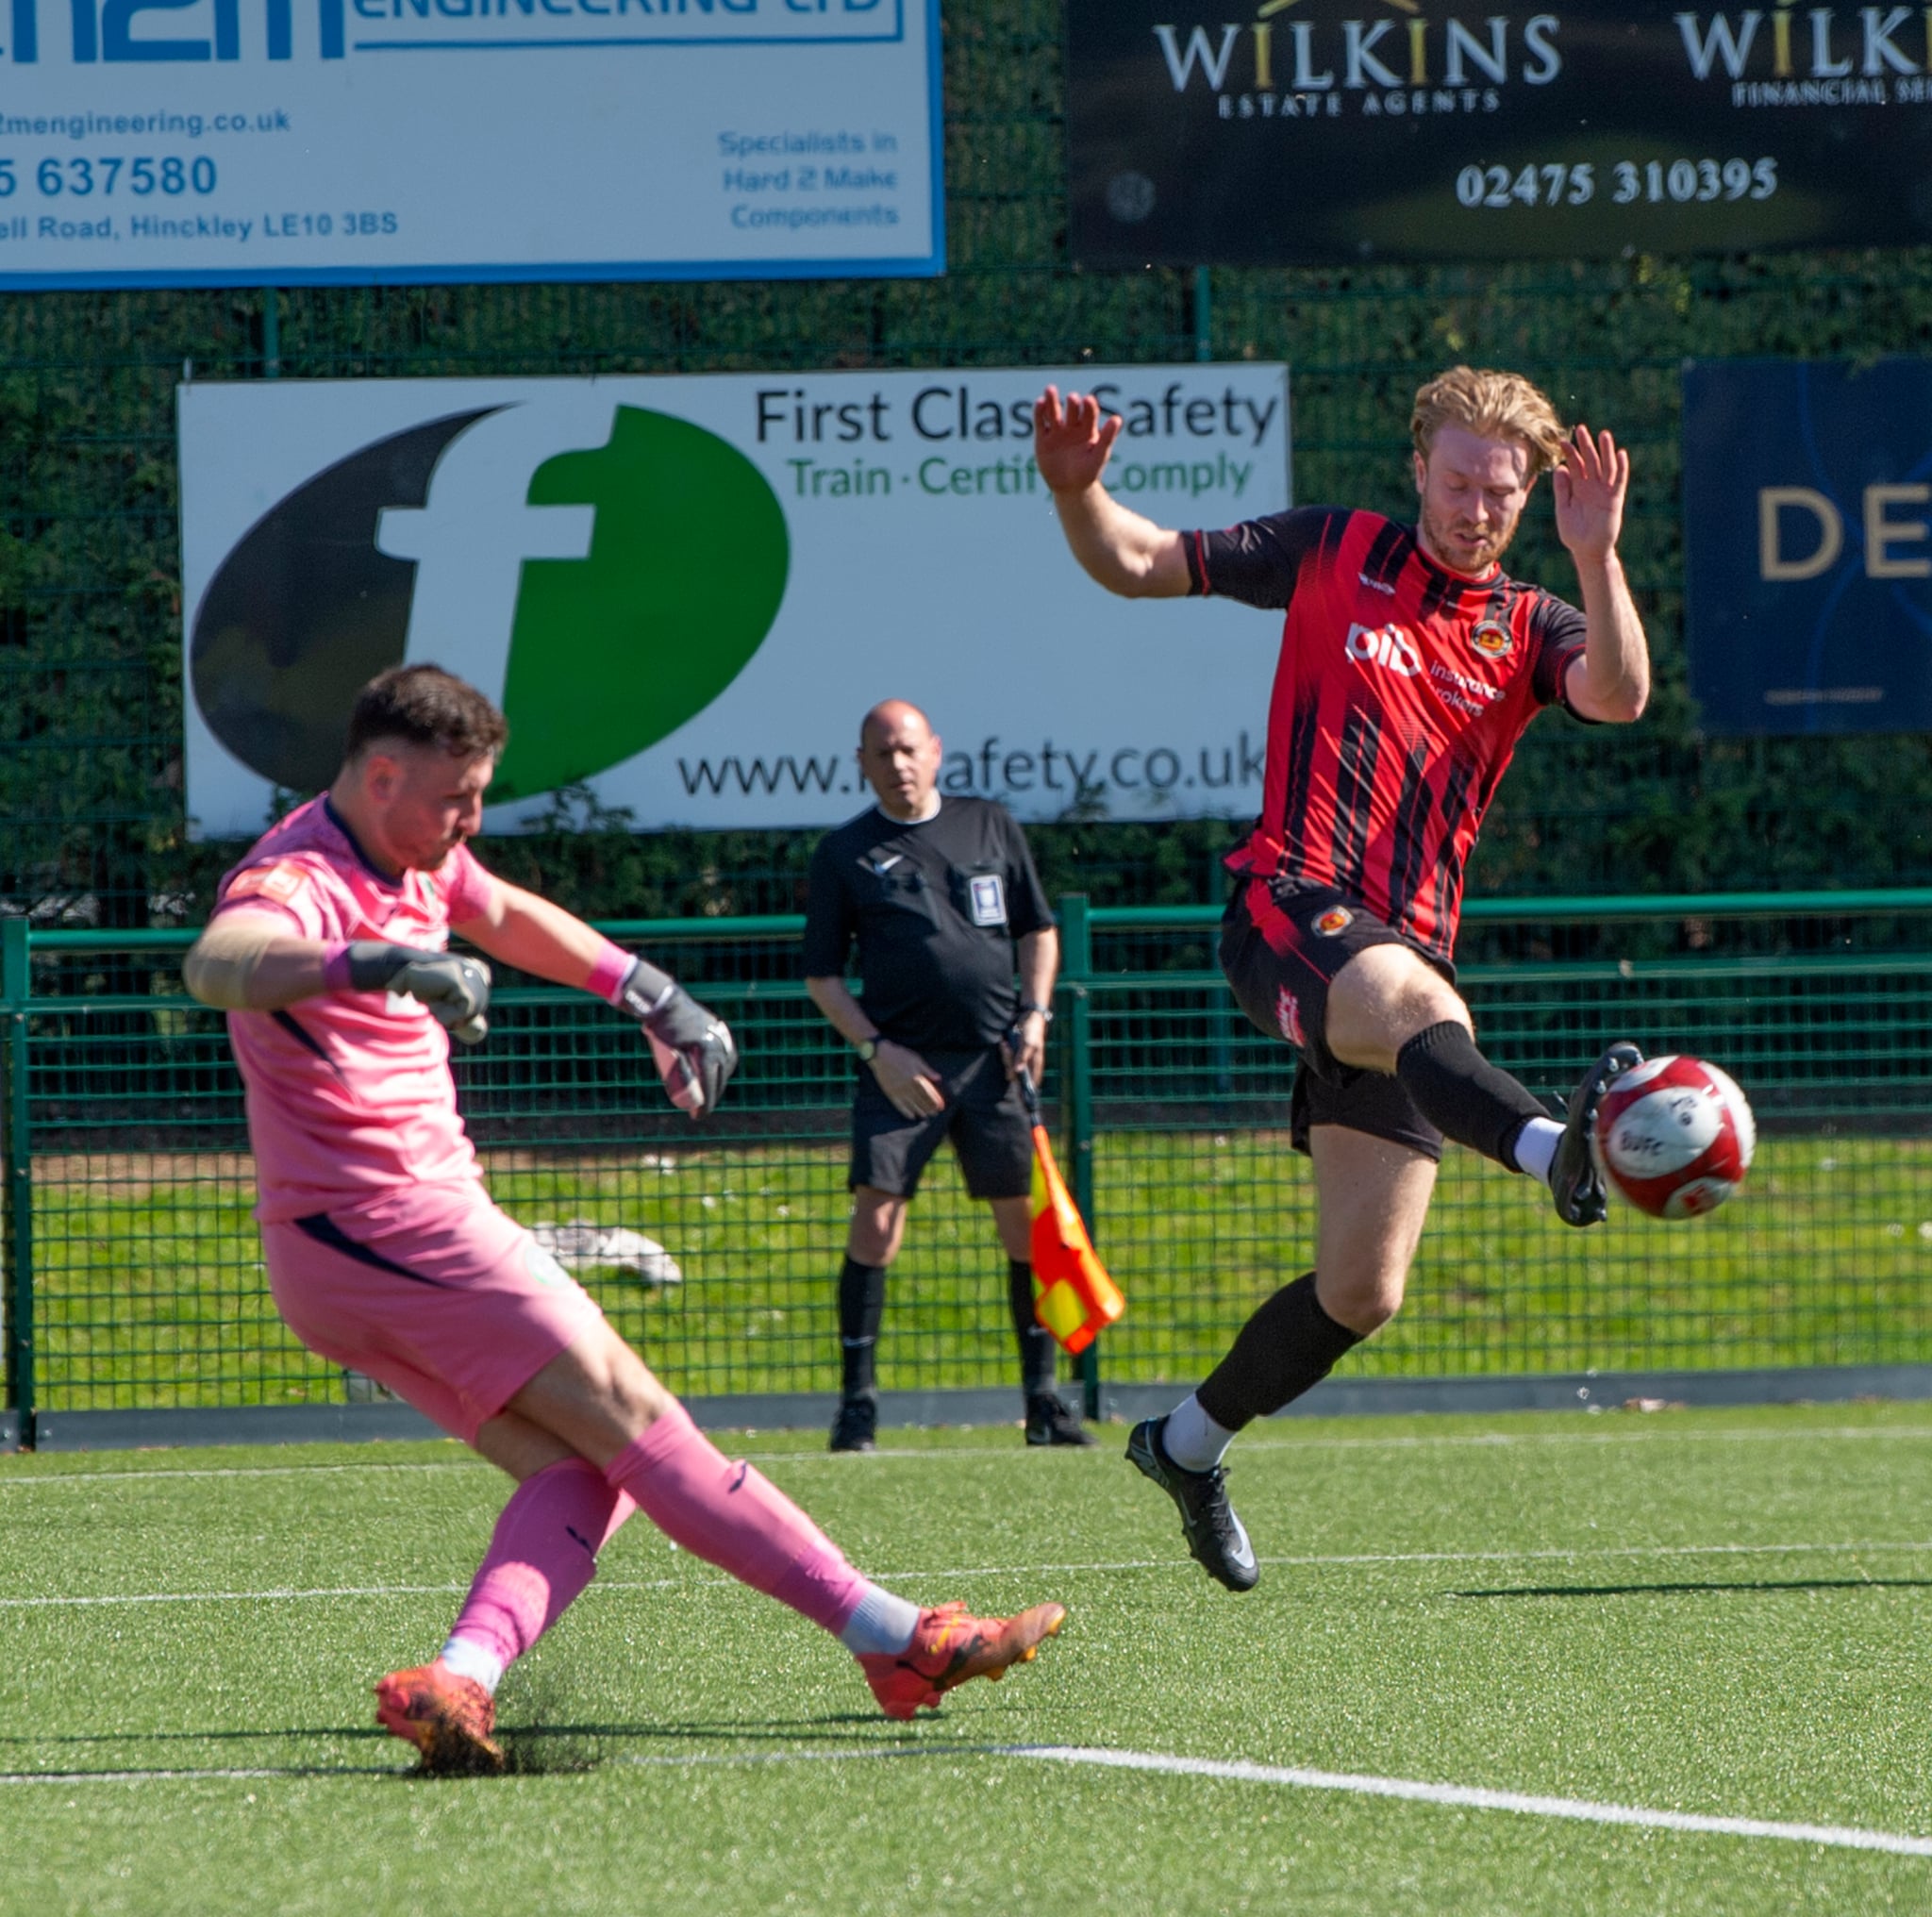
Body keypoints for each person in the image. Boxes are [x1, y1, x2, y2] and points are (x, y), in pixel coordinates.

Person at [183, 664, 1064, 1775]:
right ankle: (898, 1639)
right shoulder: (299, 876)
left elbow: (504, 913)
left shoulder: (419, 854)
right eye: (457, 798)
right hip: (392, 1225)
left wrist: (652, 994)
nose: (471, 820)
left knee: (584, 1475)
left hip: (345, 1256)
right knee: (645, 1425)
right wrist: (376, 960)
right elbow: (219, 962)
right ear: (383, 774)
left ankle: (457, 1677)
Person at [1033, 365, 1649, 1591]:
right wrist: (1074, 494)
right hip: (1287, 906)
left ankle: (1184, 1445)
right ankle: (1551, 1148)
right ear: (1418, 467)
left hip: (1400, 972)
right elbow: (1139, 560)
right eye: (1459, 480)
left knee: (1362, 1289)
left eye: (1502, 491)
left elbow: (1620, 696)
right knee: (1422, 1006)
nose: (1477, 507)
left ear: (1529, 496)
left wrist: (1596, 556)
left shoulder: (1530, 623)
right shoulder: (1333, 549)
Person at [803, 699, 1092, 1454]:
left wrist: (1035, 1016)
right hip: (900, 1070)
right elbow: (823, 978)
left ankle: (1044, 1403)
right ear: (861, 764)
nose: (897, 764)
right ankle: (857, 1409)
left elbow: (1037, 930)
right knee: (875, 1224)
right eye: (881, 753)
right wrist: (878, 1052)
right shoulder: (844, 852)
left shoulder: (990, 824)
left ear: (935, 750)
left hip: (995, 1064)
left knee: (1023, 1228)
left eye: (908, 749)